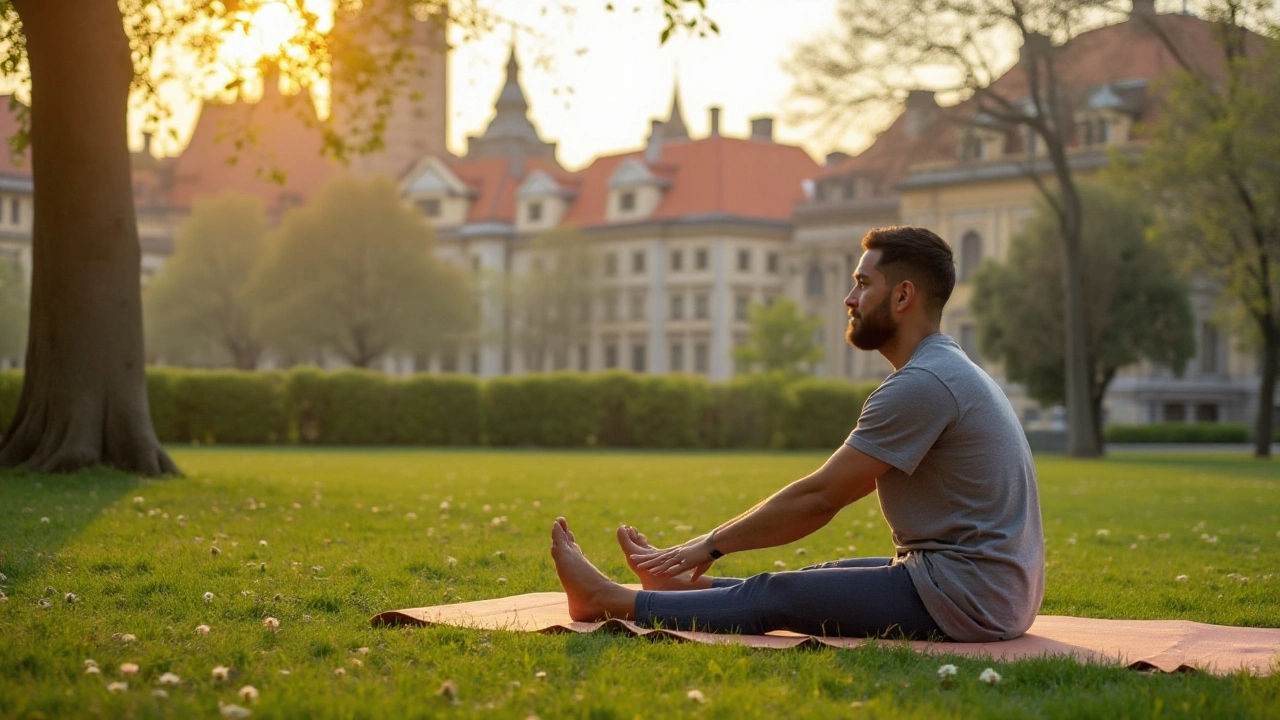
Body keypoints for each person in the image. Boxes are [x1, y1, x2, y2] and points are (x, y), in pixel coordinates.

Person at [550, 226, 1044, 642]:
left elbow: (819, 497)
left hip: (969, 598)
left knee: (780, 597)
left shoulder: (924, 384)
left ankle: (609, 601)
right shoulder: (946, 368)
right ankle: (679, 590)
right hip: (990, 589)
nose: (849, 299)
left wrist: (706, 545)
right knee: (817, 577)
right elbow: (835, 492)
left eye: (862, 284)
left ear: (902, 295)